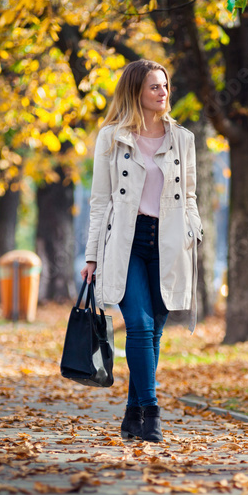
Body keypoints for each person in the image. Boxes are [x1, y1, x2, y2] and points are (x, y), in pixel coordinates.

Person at [81, 59, 202, 443]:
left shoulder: (183, 139)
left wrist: (193, 230)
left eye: (165, 85)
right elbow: (100, 202)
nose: (163, 92)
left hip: (169, 244)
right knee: (140, 324)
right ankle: (151, 412)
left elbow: (192, 195)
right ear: (136, 92)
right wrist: (91, 256)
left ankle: (132, 413)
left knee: (154, 335)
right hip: (126, 243)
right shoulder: (112, 137)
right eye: (154, 87)